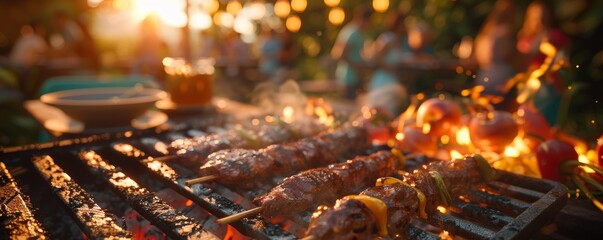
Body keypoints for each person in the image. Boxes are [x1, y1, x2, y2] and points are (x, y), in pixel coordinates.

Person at [366, 12, 410, 115]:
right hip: (383, 80)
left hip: (393, 80)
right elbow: (375, 57)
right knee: (380, 111)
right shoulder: (388, 39)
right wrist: (388, 68)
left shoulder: (401, 40)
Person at [473, 0, 517, 97]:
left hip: (484, 75)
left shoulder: (486, 32)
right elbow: (507, 55)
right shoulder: (505, 32)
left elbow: (479, 58)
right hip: (500, 76)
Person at [331, 7, 372, 100]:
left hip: (354, 78)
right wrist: (356, 65)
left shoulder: (358, 32)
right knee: (349, 106)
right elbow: (341, 54)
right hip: (347, 78)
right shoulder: (352, 32)